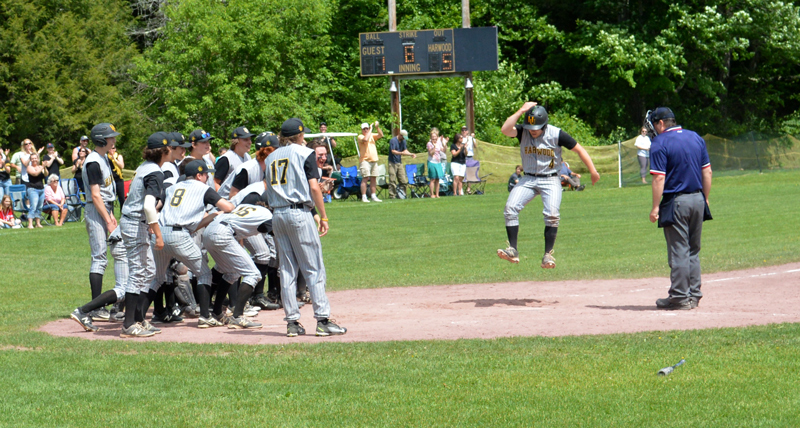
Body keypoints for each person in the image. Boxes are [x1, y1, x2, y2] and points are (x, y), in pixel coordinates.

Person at [265, 117, 346, 337]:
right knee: (313, 267)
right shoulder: (304, 153)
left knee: (287, 269)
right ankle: (323, 320)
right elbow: (313, 187)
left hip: (277, 214)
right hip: (299, 213)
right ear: (299, 135)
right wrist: (324, 216)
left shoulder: (270, 156)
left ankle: (292, 323)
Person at [497, 102, 600, 268]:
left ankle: (548, 255)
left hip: (551, 179)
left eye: (536, 126)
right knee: (510, 208)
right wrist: (521, 111)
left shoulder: (556, 134)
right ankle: (513, 250)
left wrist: (593, 171)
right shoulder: (523, 131)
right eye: (530, 126)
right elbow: (505, 129)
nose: (533, 130)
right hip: (528, 179)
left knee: (552, 214)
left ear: (544, 124)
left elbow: (580, 149)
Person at [646, 107, 712, 310]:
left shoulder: (660, 142)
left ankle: (680, 297)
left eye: (653, 125)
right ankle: (693, 295)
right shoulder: (695, 137)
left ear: (661, 124)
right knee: (693, 250)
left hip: (676, 202)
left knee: (679, 251)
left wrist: (655, 206)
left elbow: (659, 177)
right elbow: (707, 171)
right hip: (698, 199)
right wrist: (706, 199)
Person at [155, 159, 234, 328]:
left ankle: (138, 318)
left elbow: (156, 208)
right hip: (179, 234)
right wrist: (220, 211)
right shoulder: (204, 188)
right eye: (206, 174)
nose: (207, 178)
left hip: (161, 232)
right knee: (204, 274)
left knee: (157, 278)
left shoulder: (171, 188)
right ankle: (205, 316)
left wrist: (211, 216)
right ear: (199, 175)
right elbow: (228, 207)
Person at [82, 123, 120, 320]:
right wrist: (107, 219)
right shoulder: (93, 162)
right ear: (101, 140)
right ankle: (95, 307)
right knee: (99, 257)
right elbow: (96, 195)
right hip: (97, 209)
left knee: (116, 253)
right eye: (110, 137)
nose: (114, 140)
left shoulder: (104, 158)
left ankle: (114, 303)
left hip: (106, 207)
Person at [214, 126, 254, 190]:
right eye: (246, 139)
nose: (250, 142)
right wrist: (223, 199)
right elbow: (215, 182)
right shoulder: (226, 159)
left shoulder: (248, 157)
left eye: (250, 139)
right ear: (236, 141)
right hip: (229, 198)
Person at [357, 121, 383, 202]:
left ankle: (373, 195)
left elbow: (381, 135)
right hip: (365, 160)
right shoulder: (360, 136)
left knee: (373, 178)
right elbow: (365, 139)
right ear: (362, 130)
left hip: (374, 160)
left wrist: (377, 127)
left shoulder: (371, 135)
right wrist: (371, 130)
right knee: (365, 178)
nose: (366, 130)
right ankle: (364, 196)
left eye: (367, 128)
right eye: (364, 129)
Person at [387, 129, 416, 199]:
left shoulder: (403, 141)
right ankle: (392, 196)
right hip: (392, 162)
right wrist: (401, 153)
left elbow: (405, 150)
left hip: (399, 162)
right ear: (400, 135)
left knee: (403, 180)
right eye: (403, 137)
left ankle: (402, 195)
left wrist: (410, 154)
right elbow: (393, 151)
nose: (403, 139)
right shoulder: (393, 141)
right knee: (392, 180)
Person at [25, 153, 46, 229]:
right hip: (33, 189)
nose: (34, 160)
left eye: (35, 158)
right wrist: (42, 167)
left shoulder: (40, 167)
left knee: (39, 207)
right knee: (33, 207)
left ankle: (38, 223)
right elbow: (35, 174)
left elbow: (46, 174)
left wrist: (45, 168)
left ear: (38, 159)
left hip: (41, 189)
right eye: (32, 158)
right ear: (30, 160)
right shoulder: (29, 167)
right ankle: (30, 224)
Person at [426, 128, 448, 198]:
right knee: (433, 179)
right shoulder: (429, 144)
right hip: (432, 162)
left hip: (438, 162)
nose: (434, 139)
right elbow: (431, 153)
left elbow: (443, 151)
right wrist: (434, 147)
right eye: (433, 138)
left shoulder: (438, 143)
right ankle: (432, 194)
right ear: (431, 137)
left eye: (435, 138)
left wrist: (444, 144)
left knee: (438, 179)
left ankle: (437, 194)